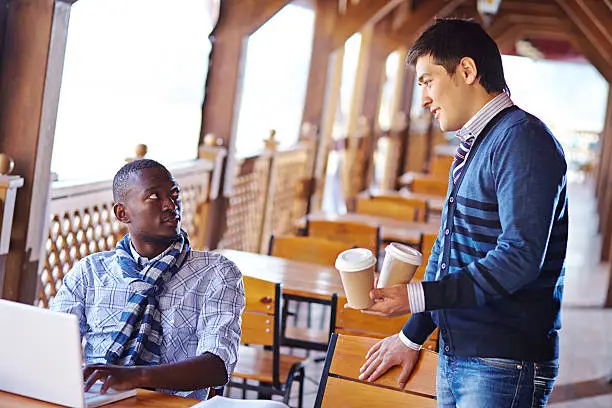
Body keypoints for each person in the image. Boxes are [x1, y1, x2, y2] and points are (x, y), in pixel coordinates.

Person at [358, 18, 568, 407]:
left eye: (427, 81)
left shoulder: (523, 139)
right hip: (460, 352)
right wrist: (412, 334)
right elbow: (448, 253)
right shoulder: (475, 144)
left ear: (467, 70)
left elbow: (520, 258)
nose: (423, 98)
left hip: (503, 361)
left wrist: (417, 296)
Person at [51, 159, 245, 400]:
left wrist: (135, 375)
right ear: (122, 213)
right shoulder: (90, 272)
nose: (170, 205)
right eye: (154, 196)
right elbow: (52, 344)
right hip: (100, 401)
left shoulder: (217, 273)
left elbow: (217, 366)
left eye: (174, 194)